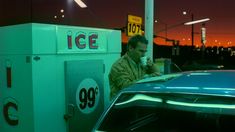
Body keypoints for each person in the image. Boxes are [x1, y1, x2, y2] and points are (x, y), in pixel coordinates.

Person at [109, 34, 161, 99]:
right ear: (130, 48)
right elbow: (126, 87)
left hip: (137, 100)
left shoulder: (140, 62)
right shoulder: (119, 65)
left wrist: (152, 66)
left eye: (145, 51)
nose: (143, 54)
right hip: (121, 103)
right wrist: (147, 78)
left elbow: (159, 75)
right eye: (141, 51)